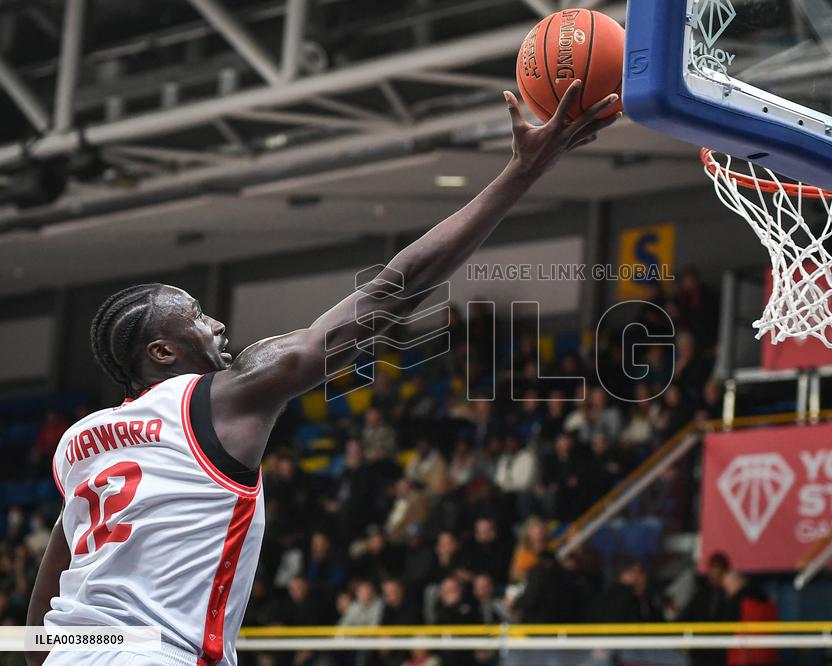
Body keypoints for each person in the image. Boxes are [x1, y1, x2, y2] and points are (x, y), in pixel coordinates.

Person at [27, 81, 621, 666]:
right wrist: (521, 171)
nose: (217, 326)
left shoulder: (80, 444)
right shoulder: (221, 400)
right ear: (161, 352)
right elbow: (395, 289)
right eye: (198, 318)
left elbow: (39, 630)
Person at [722, 570, 779, 666]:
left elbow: (728, 627)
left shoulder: (738, 600)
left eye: (727, 588)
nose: (726, 593)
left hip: (744, 655)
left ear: (736, 582)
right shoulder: (767, 599)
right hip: (768, 654)